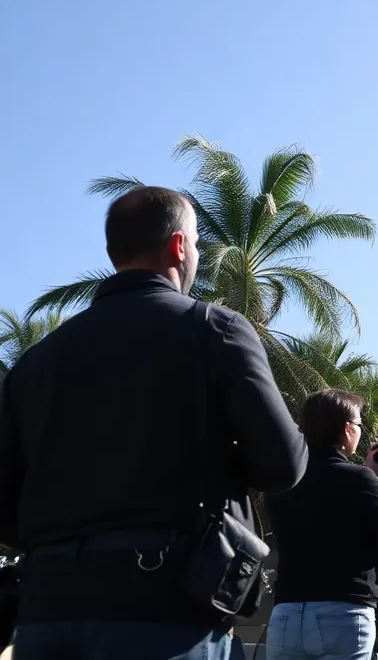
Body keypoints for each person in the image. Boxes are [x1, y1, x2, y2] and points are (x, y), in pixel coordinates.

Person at [0, 186, 308, 659]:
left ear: (113, 250)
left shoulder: (36, 361)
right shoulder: (214, 330)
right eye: (198, 244)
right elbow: (284, 465)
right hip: (162, 609)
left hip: (47, 610)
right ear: (179, 246)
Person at [264, 389, 378, 660]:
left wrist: (368, 475)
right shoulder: (359, 481)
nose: (359, 430)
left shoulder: (280, 482)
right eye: (358, 424)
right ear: (347, 429)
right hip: (341, 615)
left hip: (286, 615)